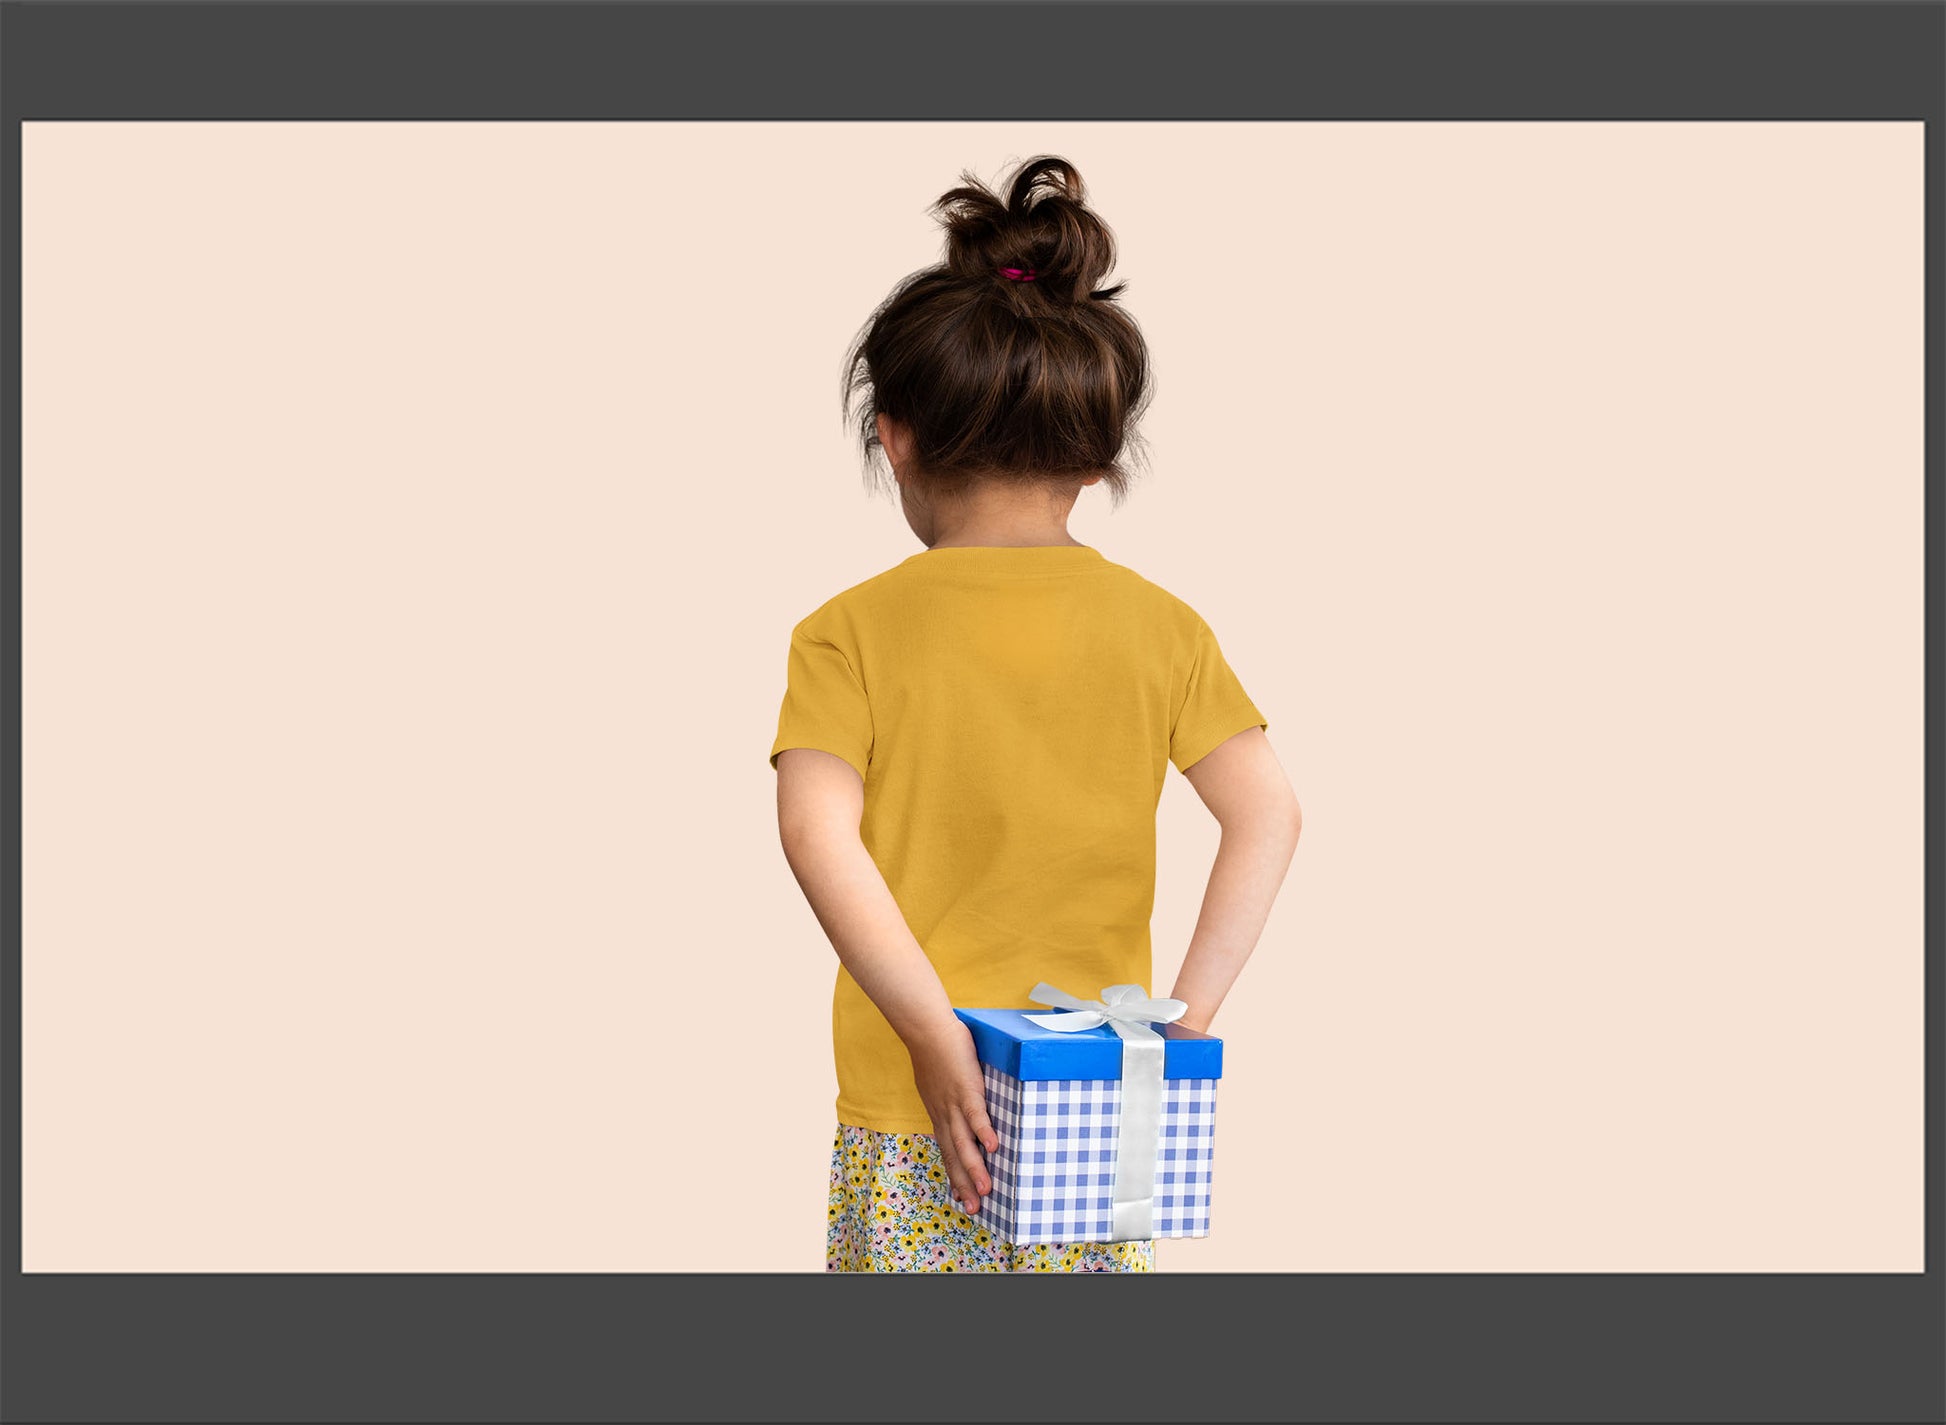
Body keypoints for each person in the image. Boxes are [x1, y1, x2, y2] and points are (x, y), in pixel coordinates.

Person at [768, 154, 1303, 1273]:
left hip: (916, 1107)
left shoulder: (845, 632)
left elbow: (816, 833)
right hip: (1092, 1100)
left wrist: (931, 1033)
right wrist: (1183, 1026)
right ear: (1098, 456)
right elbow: (1269, 815)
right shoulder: (1162, 628)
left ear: (894, 436)